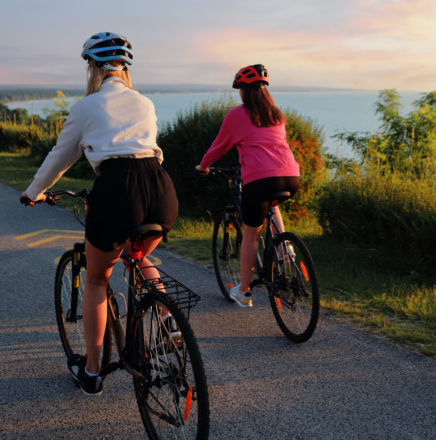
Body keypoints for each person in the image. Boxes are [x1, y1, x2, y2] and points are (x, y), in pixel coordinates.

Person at [21, 32, 178, 396]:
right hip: (160, 187)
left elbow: (60, 157)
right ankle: (167, 317)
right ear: (125, 70)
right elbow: (151, 151)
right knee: (137, 255)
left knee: (96, 280)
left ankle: (92, 372)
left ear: (92, 68)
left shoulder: (86, 107)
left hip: (116, 191)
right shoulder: (144, 103)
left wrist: (33, 193)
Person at [195, 64, 300, 307]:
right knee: (272, 204)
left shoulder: (237, 115)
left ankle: (244, 292)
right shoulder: (277, 115)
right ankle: (285, 248)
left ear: (243, 90)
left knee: (252, 233)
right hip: (291, 176)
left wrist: (203, 166)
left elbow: (219, 146)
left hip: (259, 179)